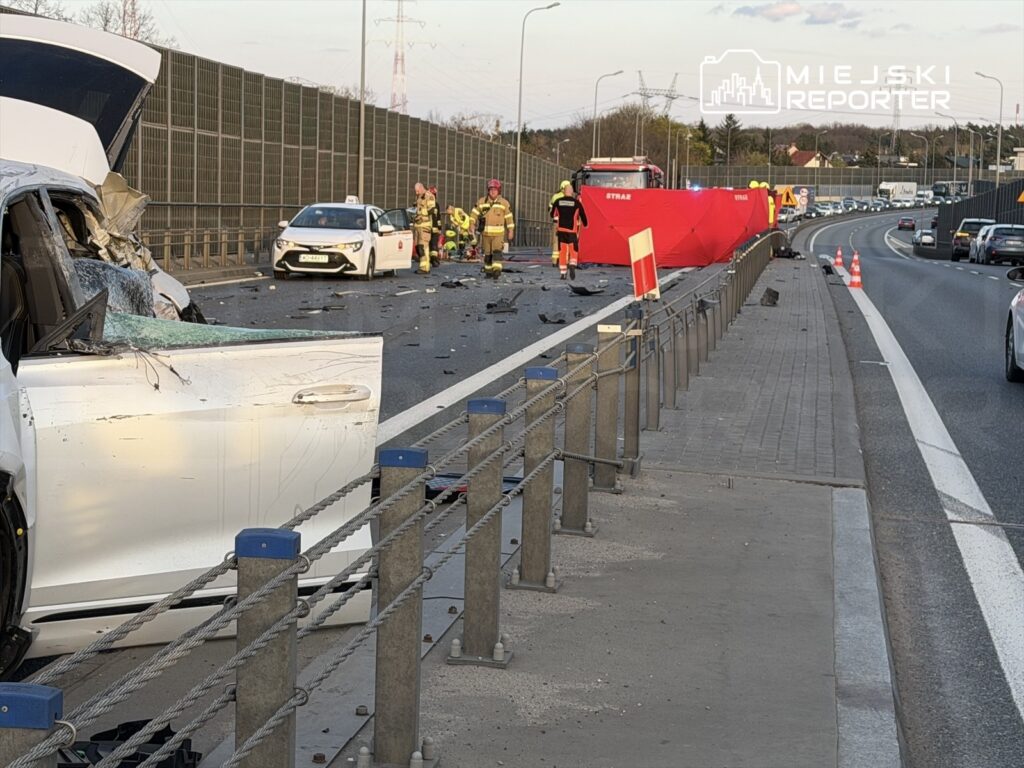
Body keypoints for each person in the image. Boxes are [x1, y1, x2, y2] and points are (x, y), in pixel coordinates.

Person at [469, 179, 514, 279]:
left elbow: (509, 218)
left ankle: (497, 270)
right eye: (491, 189)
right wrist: (471, 223)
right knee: (487, 254)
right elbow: (474, 214)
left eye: (495, 189)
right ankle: (488, 271)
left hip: (498, 235)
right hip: (485, 234)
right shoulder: (481, 202)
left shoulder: (504, 203)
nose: (493, 192)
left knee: (497, 252)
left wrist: (511, 230)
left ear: (499, 191)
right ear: (488, 190)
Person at [550, 183, 588, 280]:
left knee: (562, 251)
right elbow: (583, 214)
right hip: (572, 231)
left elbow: (552, 214)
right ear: (571, 192)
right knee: (573, 250)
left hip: (561, 230)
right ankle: (572, 264)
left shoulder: (558, 201)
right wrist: (585, 224)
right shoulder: (576, 203)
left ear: (564, 191)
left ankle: (563, 273)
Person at [412, 182, 436, 274]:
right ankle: (423, 266)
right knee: (418, 247)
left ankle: (425, 268)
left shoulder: (429, 196)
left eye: (417, 191)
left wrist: (421, 214)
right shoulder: (419, 197)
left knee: (423, 247)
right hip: (418, 225)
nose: (416, 193)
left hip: (425, 225)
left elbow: (431, 210)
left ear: (421, 188)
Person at [549, 180, 572, 266]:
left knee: (555, 241)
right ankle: (564, 261)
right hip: (565, 223)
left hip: (556, 221)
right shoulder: (568, 198)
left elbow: (550, 208)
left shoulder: (555, 196)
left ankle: (554, 261)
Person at [428, 185, 442, 264]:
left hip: (432, 228)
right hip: (430, 227)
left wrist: (439, 228)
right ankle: (433, 259)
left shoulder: (436, 205)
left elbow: (438, 217)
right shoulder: (432, 205)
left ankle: (433, 259)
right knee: (432, 244)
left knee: (433, 244)